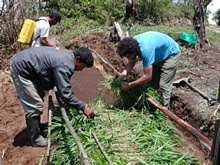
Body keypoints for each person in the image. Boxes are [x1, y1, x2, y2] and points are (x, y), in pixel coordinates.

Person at [10, 46, 95, 147]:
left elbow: (62, 86)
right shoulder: (65, 64)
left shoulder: (67, 56)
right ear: (77, 59)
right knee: (34, 105)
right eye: (83, 66)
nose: (81, 70)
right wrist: (83, 107)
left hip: (30, 66)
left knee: (39, 95)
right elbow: (65, 94)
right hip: (23, 70)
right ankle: (36, 139)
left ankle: (38, 127)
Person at [116, 31, 181, 108]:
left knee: (164, 85)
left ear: (133, 51)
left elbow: (148, 76)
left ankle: (164, 110)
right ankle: (152, 106)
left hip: (171, 54)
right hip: (158, 55)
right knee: (152, 85)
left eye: (129, 56)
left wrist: (130, 85)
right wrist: (122, 76)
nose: (128, 58)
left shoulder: (145, 50)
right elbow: (131, 63)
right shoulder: (132, 46)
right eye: (126, 57)